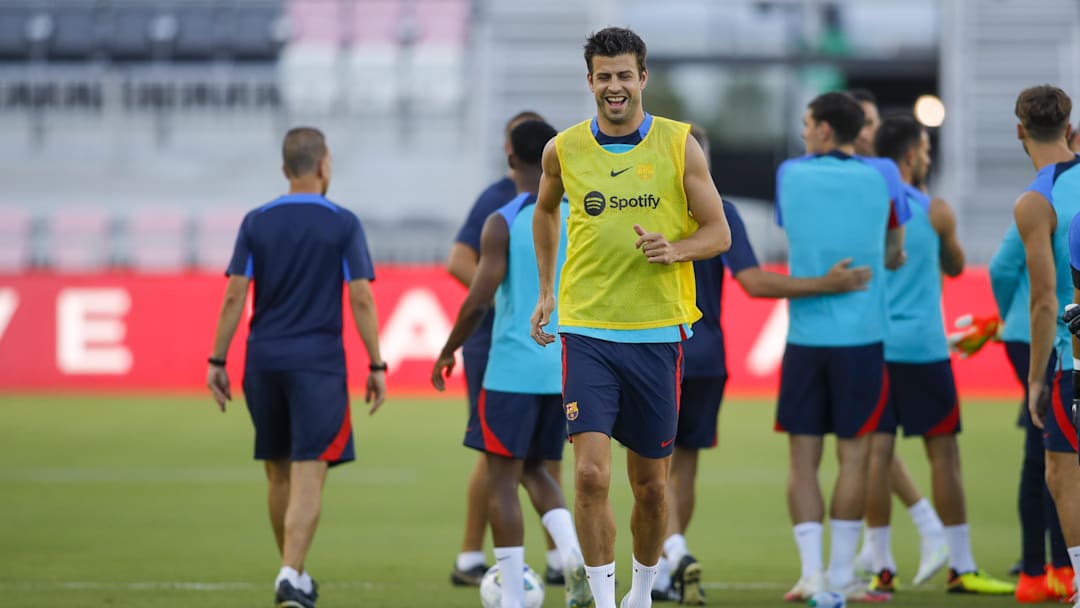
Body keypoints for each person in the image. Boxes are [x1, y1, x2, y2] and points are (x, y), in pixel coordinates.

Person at [530, 27, 732, 608]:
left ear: (642, 78)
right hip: (587, 331)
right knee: (591, 477)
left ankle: (641, 594)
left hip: (656, 335)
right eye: (603, 76)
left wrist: (676, 248)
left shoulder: (679, 144)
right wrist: (547, 289)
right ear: (589, 81)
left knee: (651, 488)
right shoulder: (562, 149)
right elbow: (544, 213)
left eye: (624, 75)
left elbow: (717, 232)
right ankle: (601, 595)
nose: (613, 86)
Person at [650, 125, 872, 605]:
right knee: (684, 467)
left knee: (651, 469)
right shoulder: (721, 211)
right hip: (709, 357)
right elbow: (753, 281)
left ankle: (673, 552)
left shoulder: (650, 208)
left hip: (660, 352)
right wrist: (825, 284)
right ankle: (670, 567)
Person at [206, 127, 387, 608]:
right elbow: (362, 298)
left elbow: (233, 296)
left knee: (277, 474)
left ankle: (294, 574)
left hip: (262, 362)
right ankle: (290, 573)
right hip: (318, 366)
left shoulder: (256, 221)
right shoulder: (343, 223)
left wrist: (217, 359)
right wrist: (376, 362)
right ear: (324, 166)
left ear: (285, 170)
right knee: (309, 472)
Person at [432, 119, 592, 608]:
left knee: (502, 478)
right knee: (538, 472)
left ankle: (512, 594)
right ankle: (573, 559)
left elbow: (479, 297)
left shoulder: (503, 219)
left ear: (509, 158)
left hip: (511, 372)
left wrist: (448, 348)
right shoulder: (579, 216)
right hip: (562, 368)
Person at [861, 114, 1014, 596]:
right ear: (910, 155)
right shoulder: (936, 210)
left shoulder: (866, 208)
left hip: (875, 346)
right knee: (944, 454)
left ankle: (881, 567)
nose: (928, 155)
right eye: (925, 148)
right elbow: (955, 265)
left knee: (875, 455)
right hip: (925, 347)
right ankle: (962, 565)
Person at [774, 91, 908, 603]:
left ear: (826, 130)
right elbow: (895, 250)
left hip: (807, 336)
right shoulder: (885, 176)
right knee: (854, 460)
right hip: (863, 338)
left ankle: (810, 574)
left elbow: (794, 230)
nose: (805, 132)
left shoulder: (790, 174)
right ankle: (838, 579)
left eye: (809, 124)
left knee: (802, 460)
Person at [847, 90, 949, 586]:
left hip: (875, 338)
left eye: (871, 124)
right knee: (872, 448)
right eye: (862, 123)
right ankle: (892, 546)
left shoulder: (883, 192)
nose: (867, 132)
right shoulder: (866, 187)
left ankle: (886, 551)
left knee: (871, 447)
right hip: (883, 336)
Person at [1014, 84, 1080, 606]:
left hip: (1071, 353)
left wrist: (1037, 378)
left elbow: (1042, 299)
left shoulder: (1036, 201)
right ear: (1070, 128)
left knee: (1062, 471)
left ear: (1020, 131)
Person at [992, 223, 1075, 601]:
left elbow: (1003, 269)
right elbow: (1003, 268)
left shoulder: (1047, 196)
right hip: (1046, 335)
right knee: (1052, 450)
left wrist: (1007, 312)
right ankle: (1056, 566)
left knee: (1041, 448)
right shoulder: (1050, 196)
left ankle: (1035, 567)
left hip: (1030, 332)